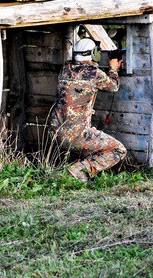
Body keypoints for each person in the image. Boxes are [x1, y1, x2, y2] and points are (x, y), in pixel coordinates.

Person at [49, 38, 127, 182]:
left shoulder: (65, 70)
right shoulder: (94, 73)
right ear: (93, 54)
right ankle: (77, 171)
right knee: (118, 150)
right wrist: (113, 69)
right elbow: (113, 86)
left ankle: (77, 171)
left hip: (56, 134)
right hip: (77, 136)